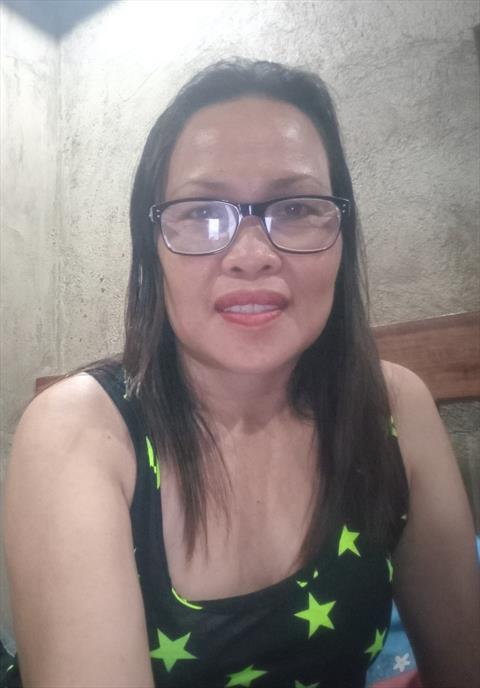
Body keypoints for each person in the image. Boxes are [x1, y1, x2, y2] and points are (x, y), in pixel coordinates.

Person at [3, 59, 479, 688]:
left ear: (342, 234)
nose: (251, 255)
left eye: (297, 207)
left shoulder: (392, 407)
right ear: (152, 246)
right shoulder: (80, 432)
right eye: (201, 212)